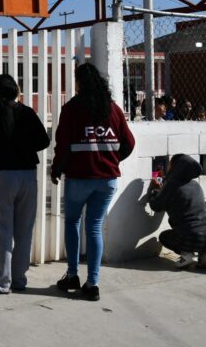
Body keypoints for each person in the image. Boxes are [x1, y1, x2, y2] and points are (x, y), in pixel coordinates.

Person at [51, 63, 135, 301]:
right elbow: (129, 142)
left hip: (79, 178)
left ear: (80, 83)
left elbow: (63, 145)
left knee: (72, 223)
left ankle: (72, 275)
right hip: (107, 179)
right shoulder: (113, 109)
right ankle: (93, 283)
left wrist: (57, 169)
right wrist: (111, 160)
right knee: (94, 227)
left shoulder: (71, 109)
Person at [0, 75, 50, 294]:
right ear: (16, 90)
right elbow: (44, 140)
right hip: (27, 174)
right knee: (24, 230)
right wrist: (24, 146)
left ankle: (2, 281)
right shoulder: (27, 113)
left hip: (0, 175)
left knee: (3, 230)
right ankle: (19, 279)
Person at [148, 154, 206, 269]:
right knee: (199, 234)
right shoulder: (195, 184)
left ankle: (186, 255)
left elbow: (156, 206)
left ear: (177, 167)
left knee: (164, 236)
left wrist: (153, 190)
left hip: (191, 236)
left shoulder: (172, 185)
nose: (168, 167)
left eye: (170, 164)